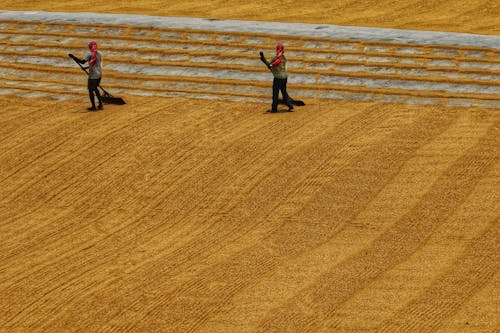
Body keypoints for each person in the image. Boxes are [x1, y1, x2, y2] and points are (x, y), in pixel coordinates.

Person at [69, 41, 103, 111]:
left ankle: (93, 107)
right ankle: (100, 105)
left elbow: (82, 62)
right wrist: (87, 68)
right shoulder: (99, 53)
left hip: (93, 75)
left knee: (91, 90)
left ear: (90, 47)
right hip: (99, 74)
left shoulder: (89, 54)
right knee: (95, 88)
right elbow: (96, 64)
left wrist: (73, 57)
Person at [260, 43, 293, 113]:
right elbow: (275, 66)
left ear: (276, 49)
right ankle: (290, 105)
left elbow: (269, 64)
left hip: (278, 78)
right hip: (284, 78)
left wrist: (263, 59)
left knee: (275, 93)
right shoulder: (284, 58)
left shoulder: (275, 57)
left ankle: (274, 109)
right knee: (284, 92)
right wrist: (271, 66)